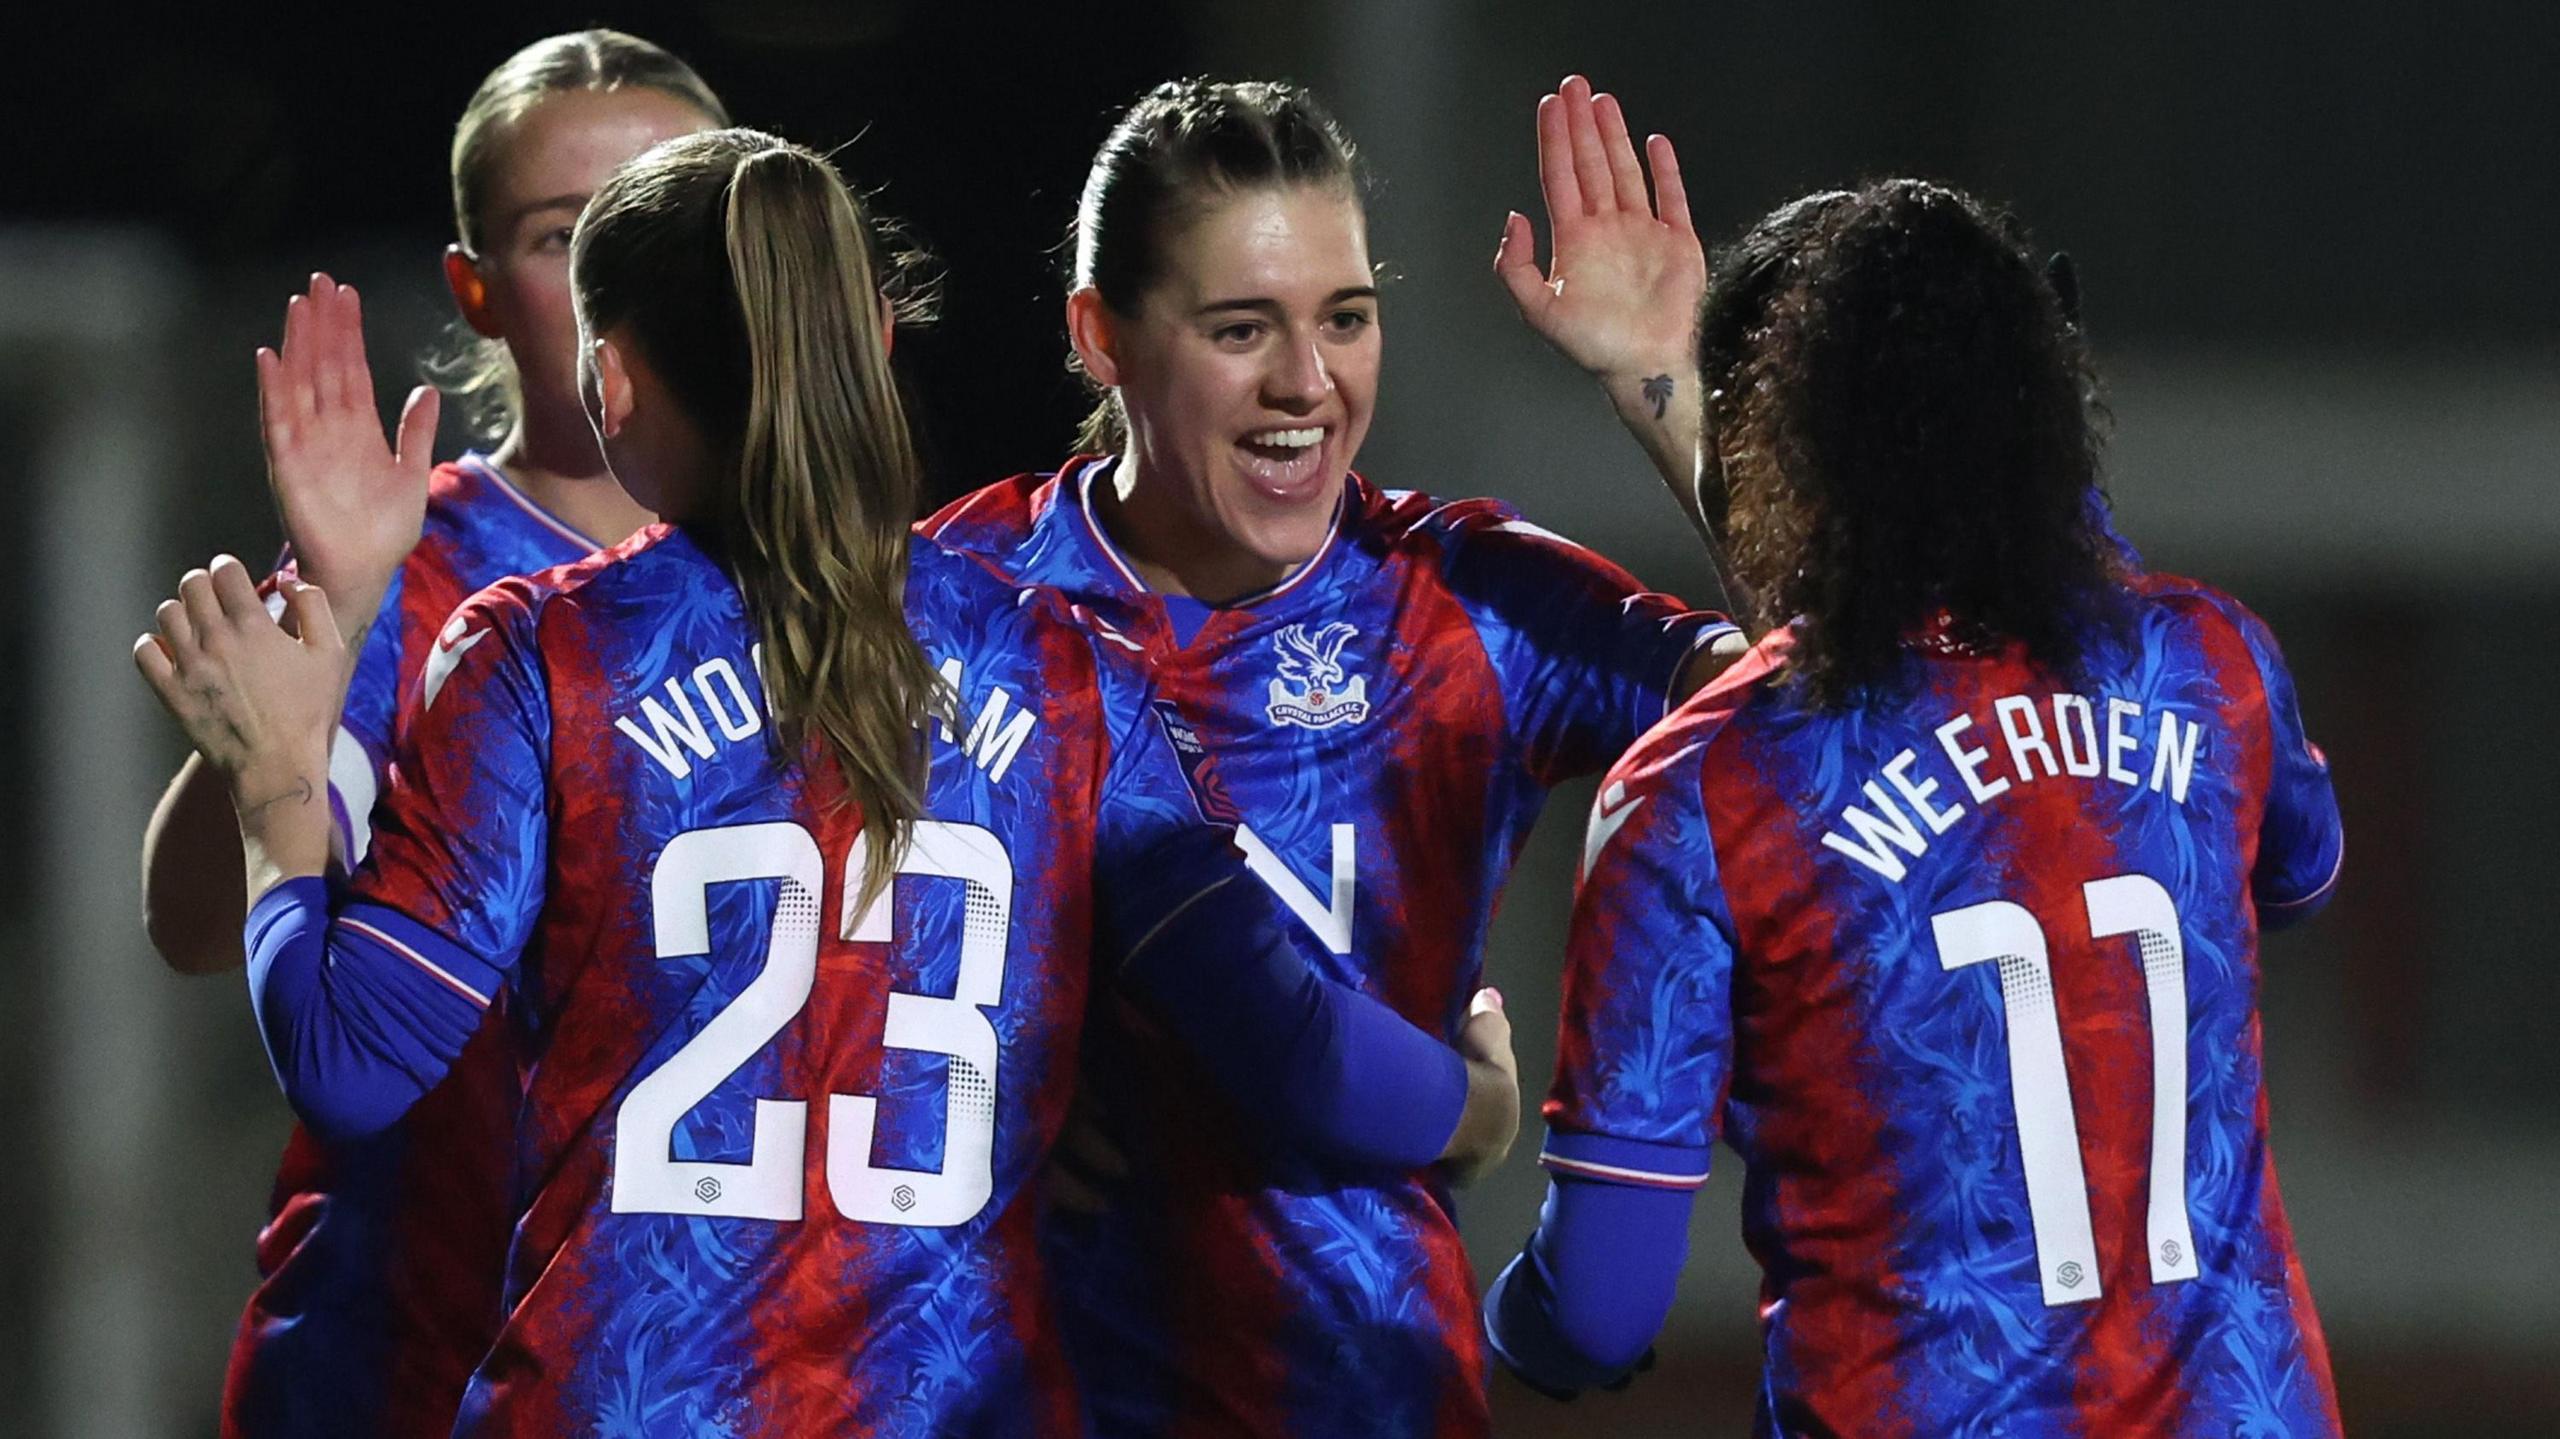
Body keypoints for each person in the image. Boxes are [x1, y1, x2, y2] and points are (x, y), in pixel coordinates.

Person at [139, 125, 1516, 1435]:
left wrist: (273, 788)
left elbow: (353, 1061)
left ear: (610, 381)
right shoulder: (1066, 666)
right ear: (874, 340)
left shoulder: (547, 652)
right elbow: (1297, 1045)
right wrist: (1471, 1102)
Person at [923, 75, 1738, 1436]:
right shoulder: (959, 597)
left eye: (1346, 319)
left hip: (1366, 1393)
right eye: (1243, 327)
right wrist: (958, 1095)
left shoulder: (1468, 601)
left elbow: (1832, 702)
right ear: (1102, 335)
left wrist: (1670, 390)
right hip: (1025, 1393)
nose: (1307, 383)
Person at [1484, 179, 2345, 1435]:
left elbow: (1599, 1309)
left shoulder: (1698, 793)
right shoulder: (2212, 669)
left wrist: (1492, 1312)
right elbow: (2297, 871)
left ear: (1776, 448)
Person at [133, 31, 730, 1435]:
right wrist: (331, 608)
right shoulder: (414, 561)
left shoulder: (834, 570)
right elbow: (190, 920)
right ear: (474, 288)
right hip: (418, 1357)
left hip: (730, 1361)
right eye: (561, 234)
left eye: (665, 219)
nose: (618, 280)